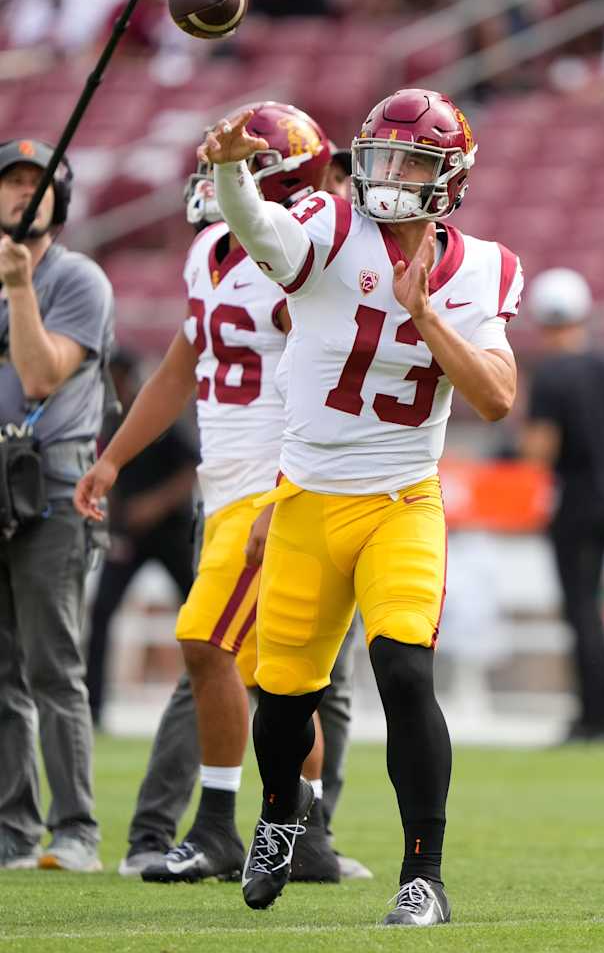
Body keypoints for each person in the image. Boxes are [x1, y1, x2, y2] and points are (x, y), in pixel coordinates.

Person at [204, 87, 522, 924]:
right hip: (309, 498)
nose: (389, 176)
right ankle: (280, 812)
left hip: (401, 499)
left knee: (406, 673)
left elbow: (495, 398)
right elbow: (262, 234)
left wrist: (426, 317)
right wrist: (233, 175)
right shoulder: (332, 225)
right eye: (382, 158)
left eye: (412, 162)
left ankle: (425, 878)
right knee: (285, 698)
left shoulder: (485, 267)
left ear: (450, 178)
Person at [74, 104, 365, 884]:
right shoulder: (208, 251)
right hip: (226, 486)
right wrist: (113, 458)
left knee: (205, 642)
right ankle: (307, 839)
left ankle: (216, 826)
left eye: (233, 168)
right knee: (280, 680)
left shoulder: (298, 262)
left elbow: (327, 384)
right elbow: (180, 368)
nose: (213, 181)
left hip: (273, 487)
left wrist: (287, 490)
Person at [0, 137, 113, 872]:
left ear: (59, 199)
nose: (23, 192)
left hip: (50, 483)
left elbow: (42, 376)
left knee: (52, 664)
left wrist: (19, 288)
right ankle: (13, 829)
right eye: (11, 180)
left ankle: (76, 830)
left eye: (37, 182)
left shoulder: (77, 280)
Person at [522, 268, 604, 744]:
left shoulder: (550, 374)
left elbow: (540, 449)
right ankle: (602, 710)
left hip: (574, 499)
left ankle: (597, 717)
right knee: (596, 605)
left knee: (581, 609)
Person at [85, 348, 198, 728]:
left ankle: (238, 695)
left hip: (172, 534)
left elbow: (190, 470)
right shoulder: (110, 422)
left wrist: (153, 505)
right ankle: (93, 708)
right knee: (102, 611)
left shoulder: (158, 419)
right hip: (130, 536)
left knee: (204, 616)